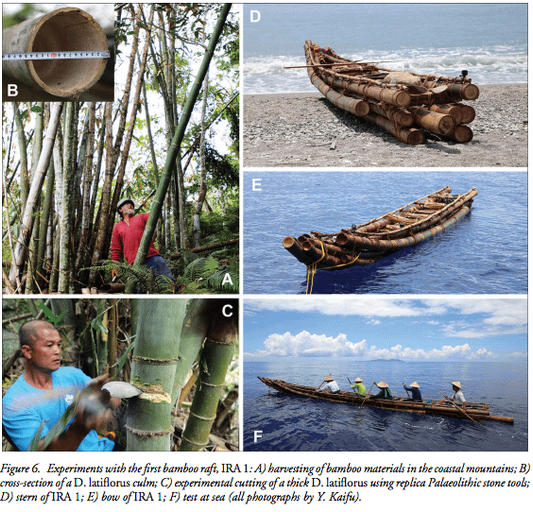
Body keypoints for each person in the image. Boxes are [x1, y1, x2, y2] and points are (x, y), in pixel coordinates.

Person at [2, 320, 119, 451]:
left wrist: (105, 398)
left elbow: (114, 398)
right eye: (49, 345)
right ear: (28, 351)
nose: (57, 351)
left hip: (104, 449)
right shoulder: (14, 403)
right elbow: (42, 452)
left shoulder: (72, 375)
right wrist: (81, 427)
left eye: (59, 344)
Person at [111, 198, 175, 287]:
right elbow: (116, 249)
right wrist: (115, 266)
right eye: (127, 204)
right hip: (135, 264)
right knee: (141, 290)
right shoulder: (117, 227)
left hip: (152, 257)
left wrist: (157, 203)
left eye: (131, 204)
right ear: (120, 210)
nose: (130, 205)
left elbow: (154, 214)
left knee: (168, 283)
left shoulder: (140, 217)